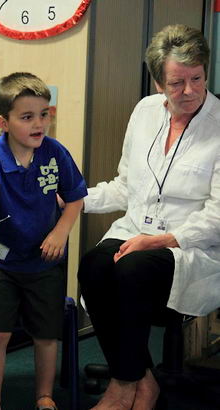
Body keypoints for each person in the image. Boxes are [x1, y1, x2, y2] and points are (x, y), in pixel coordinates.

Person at [78, 24, 220, 410]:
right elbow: (126, 185)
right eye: (176, 82)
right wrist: (76, 200)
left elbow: (217, 217)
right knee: (93, 266)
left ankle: (122, 387)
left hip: (190, 246)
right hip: (135, 230)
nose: (189, 91)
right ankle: (143, 379)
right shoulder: (143, 112)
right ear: (158, 82)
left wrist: (155, 241)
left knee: (131, 270)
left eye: (197, 78)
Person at [0, 72, 87, 410]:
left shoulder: (55, 153)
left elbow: (75, 198)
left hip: (43, 262)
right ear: (3, 122)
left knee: (45, 334)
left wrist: (60, 231)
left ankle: (45, 396)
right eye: (27, 117)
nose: (39, 123)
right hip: (1, 263)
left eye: (44, 114)